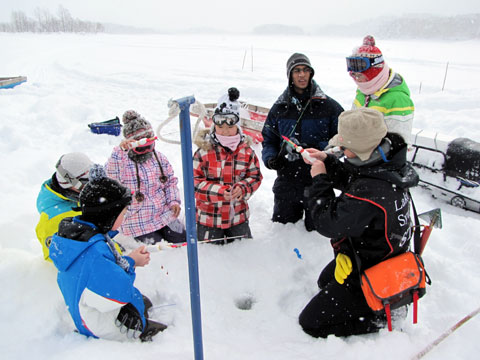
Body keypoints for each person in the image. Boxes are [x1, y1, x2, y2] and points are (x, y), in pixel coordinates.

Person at [298, 108, 419, 338]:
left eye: (345, 149)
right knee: (325, 280)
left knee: (310, 323)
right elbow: (356, 179)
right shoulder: (387, 162)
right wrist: (328, 161)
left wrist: (320, 180)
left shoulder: (371, 191)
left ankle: (379, 317)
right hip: (373, 253)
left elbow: (328, 222)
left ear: (363, 149)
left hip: (375, 270)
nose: (341, 151)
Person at [49, 165, 167, 341]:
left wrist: (129, 260)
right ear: (108, 215)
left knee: (140, 302)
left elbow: (102, 273)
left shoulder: (81, 236)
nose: (124, 217)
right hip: (97, 322)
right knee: (146, 325)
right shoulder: (94, 252)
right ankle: (141, 336)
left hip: (85, 303)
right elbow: (118, 293)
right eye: (123, 213)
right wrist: (131, 264)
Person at [261, 53, 344, 231]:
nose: (301, 75)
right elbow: (268, 140)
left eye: (306, 70)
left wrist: (321, 151)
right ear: (290, 75)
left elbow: (342, 143)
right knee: (283, 232)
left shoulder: (330, 107)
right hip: (287, 181)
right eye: (297, 70)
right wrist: (270, 159)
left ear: (311, 73)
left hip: (319, 181)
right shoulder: (279, 108)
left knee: (318, 233)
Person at [105, 110, 186, 244]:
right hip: (138, 220)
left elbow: (170, 182)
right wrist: (120, 151)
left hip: (164, 214)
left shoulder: (159, 158)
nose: (147, 151)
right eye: (142, 148)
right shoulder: (122, 161)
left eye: (150, 146)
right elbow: (111, 175)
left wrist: (173, 201)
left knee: (181, 238)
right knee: (157, 245)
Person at [193, 88, 263, 243]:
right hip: (209, 219)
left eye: (230, 126)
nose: (225, 131)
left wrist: (243, 187)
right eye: (220, 126)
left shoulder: (246, 151)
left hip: (238, 217)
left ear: (237, 126)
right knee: (212, 258)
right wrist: (219, 192)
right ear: (214, 125)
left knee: (242, 254)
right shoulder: (203, 152)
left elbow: (255, 176)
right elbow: (194, 183)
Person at [346, 35, 414, 144]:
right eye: (354, 76)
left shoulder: (397, 99)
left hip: (381, 158)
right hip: (359, 155)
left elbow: (398, 144)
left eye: (359, 76)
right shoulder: (363, 92)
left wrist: (361, 151)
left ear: (374, 73)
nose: (357, 80)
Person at [36, 152, 93, 261]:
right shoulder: (55, 221)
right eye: (87, 183)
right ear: (73, 184)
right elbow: (61, 260)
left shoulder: (73, 193)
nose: (92, 186)